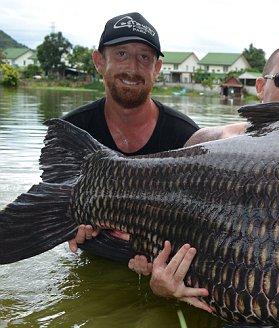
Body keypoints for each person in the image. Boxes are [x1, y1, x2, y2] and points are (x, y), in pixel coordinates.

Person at [86, 42, 279, 328]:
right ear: (260, 86)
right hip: (196, 321)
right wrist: (155, 280)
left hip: (266, 321)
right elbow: (153, 245)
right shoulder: (208, 144)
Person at [67, 12, 199, 253]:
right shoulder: (74, 129)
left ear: (157, 68)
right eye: (121, 54)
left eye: (144, 57)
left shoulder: (187, 137)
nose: (132, 68)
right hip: (94, 256)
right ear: (98, 61)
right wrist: (68, 226)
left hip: (157, 263)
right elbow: (54, 201)